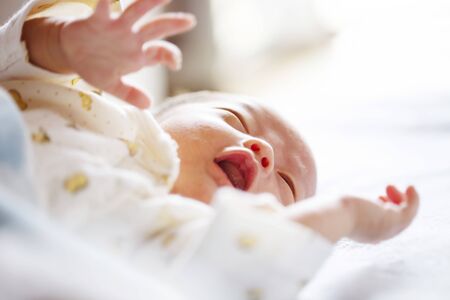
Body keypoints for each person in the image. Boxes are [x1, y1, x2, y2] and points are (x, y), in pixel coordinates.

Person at [0, 1, 420, 299]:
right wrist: (61, 44)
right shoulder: (93, 107)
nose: (262, 153)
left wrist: (347, 212)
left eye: (287, 185)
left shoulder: (185, 238)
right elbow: (10, 62)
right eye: (237, 120)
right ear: (157, 117)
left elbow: (245, 266)